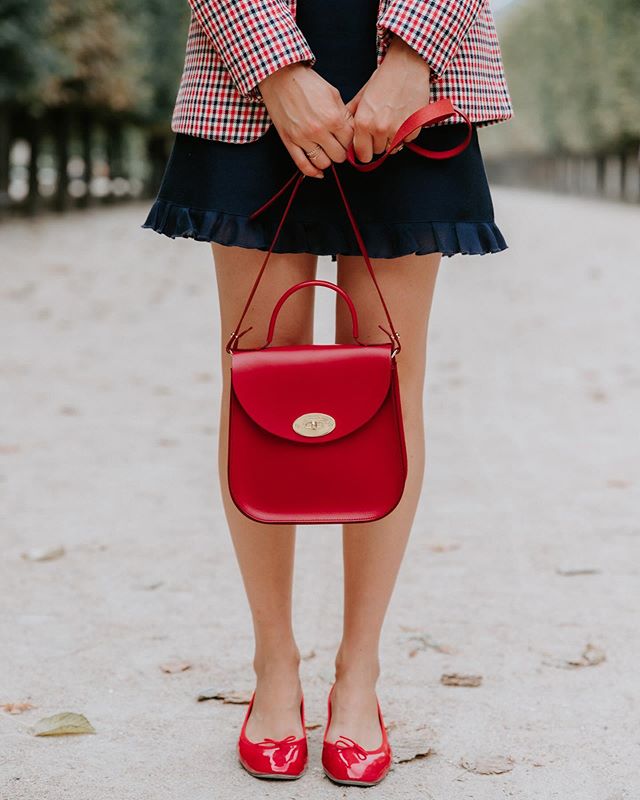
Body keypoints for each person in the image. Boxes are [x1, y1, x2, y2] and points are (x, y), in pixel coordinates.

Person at [142, 0, 512, 786]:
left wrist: (411, 58)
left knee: (388, 377)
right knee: (257, 369)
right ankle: (275, 667)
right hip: (245, 73)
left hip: (419, 68)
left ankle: (360, 675)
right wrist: (273, 64)